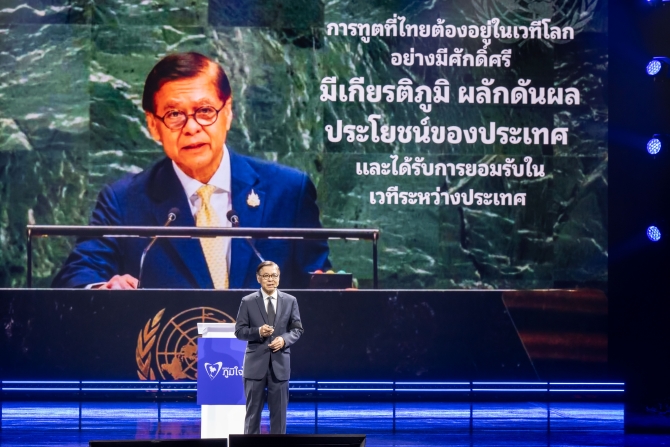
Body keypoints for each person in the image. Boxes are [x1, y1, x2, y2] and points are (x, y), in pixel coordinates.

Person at [52, 52, 330, 289]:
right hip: (171, 338)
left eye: (205, 111)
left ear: (228, 113)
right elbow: (77, 276)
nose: (192, 127)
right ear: (153, 125)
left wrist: (336, 292)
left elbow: (319, 283)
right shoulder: (124, 201)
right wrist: (103, 289)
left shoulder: (288, 192)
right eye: (174, 115)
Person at [234, 261, 302, 434]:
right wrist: (258, 331)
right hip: (255, 365)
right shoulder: (248, 301)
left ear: (279, 277)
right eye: (266, 276)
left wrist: (284, 340)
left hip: (280, 365)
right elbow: (239, 331)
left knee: (279, 416)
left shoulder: (290, 301)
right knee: (252, 415)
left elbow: (297, 329)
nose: (270, 279)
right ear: (258, 278)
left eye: (274, 275)